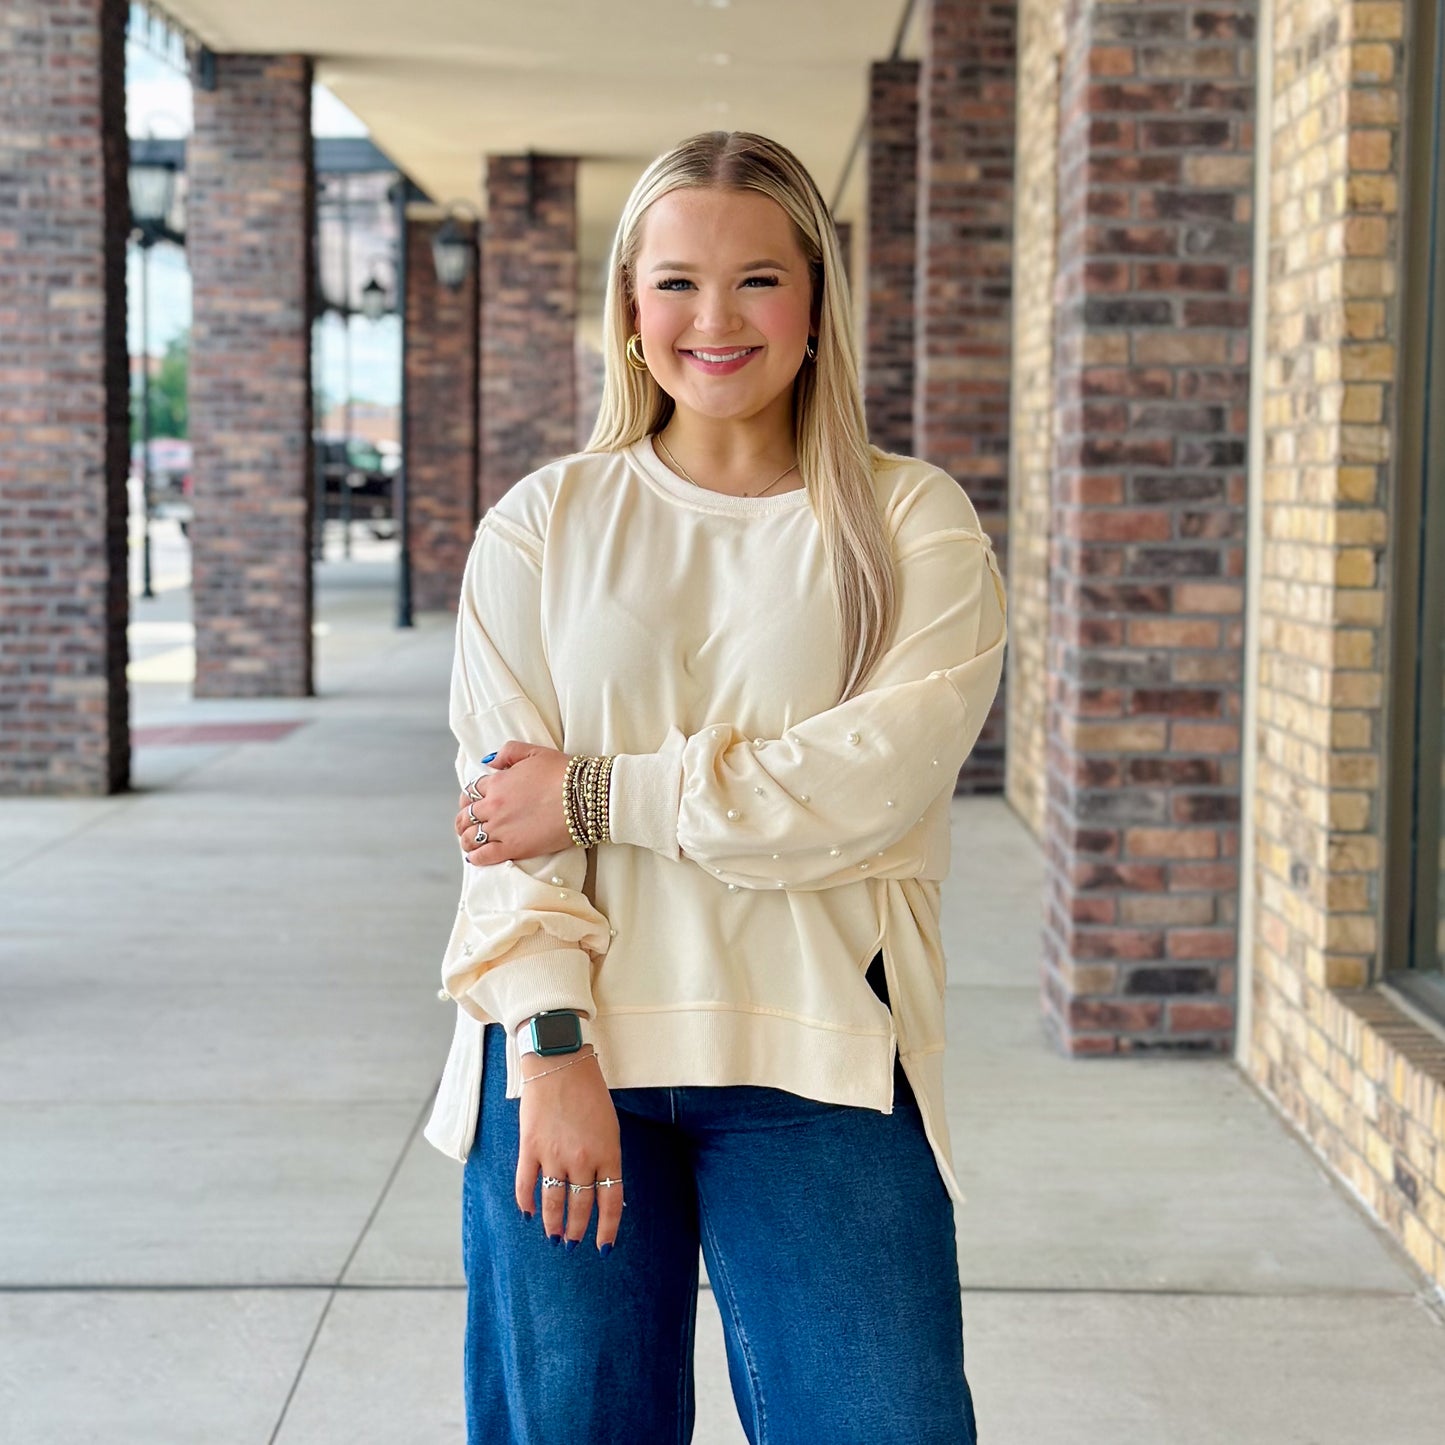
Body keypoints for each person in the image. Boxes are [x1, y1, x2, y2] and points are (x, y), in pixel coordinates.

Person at [426, 130, 1006, 1445]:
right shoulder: (544, 521)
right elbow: (496, 822)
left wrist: (594, 794)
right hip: (570, 1058)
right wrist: (553, 1042)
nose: (714, 318)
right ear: (628, 307)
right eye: (676, 280)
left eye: (757, 279)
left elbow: (861, 790)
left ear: (814, 301)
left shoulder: (910, 524)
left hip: (825, 1063)